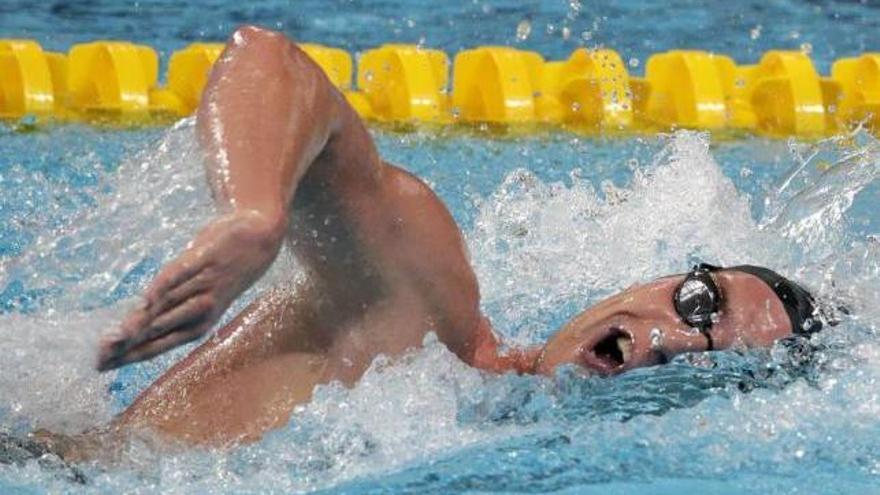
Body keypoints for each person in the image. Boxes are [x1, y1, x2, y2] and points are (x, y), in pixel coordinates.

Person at [18, 26, 823, 462]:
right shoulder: (429, 320)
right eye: (696, 301)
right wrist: (255, 215)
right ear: (649, 280)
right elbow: (271, 61)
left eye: (717, 364)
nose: (676, 342)